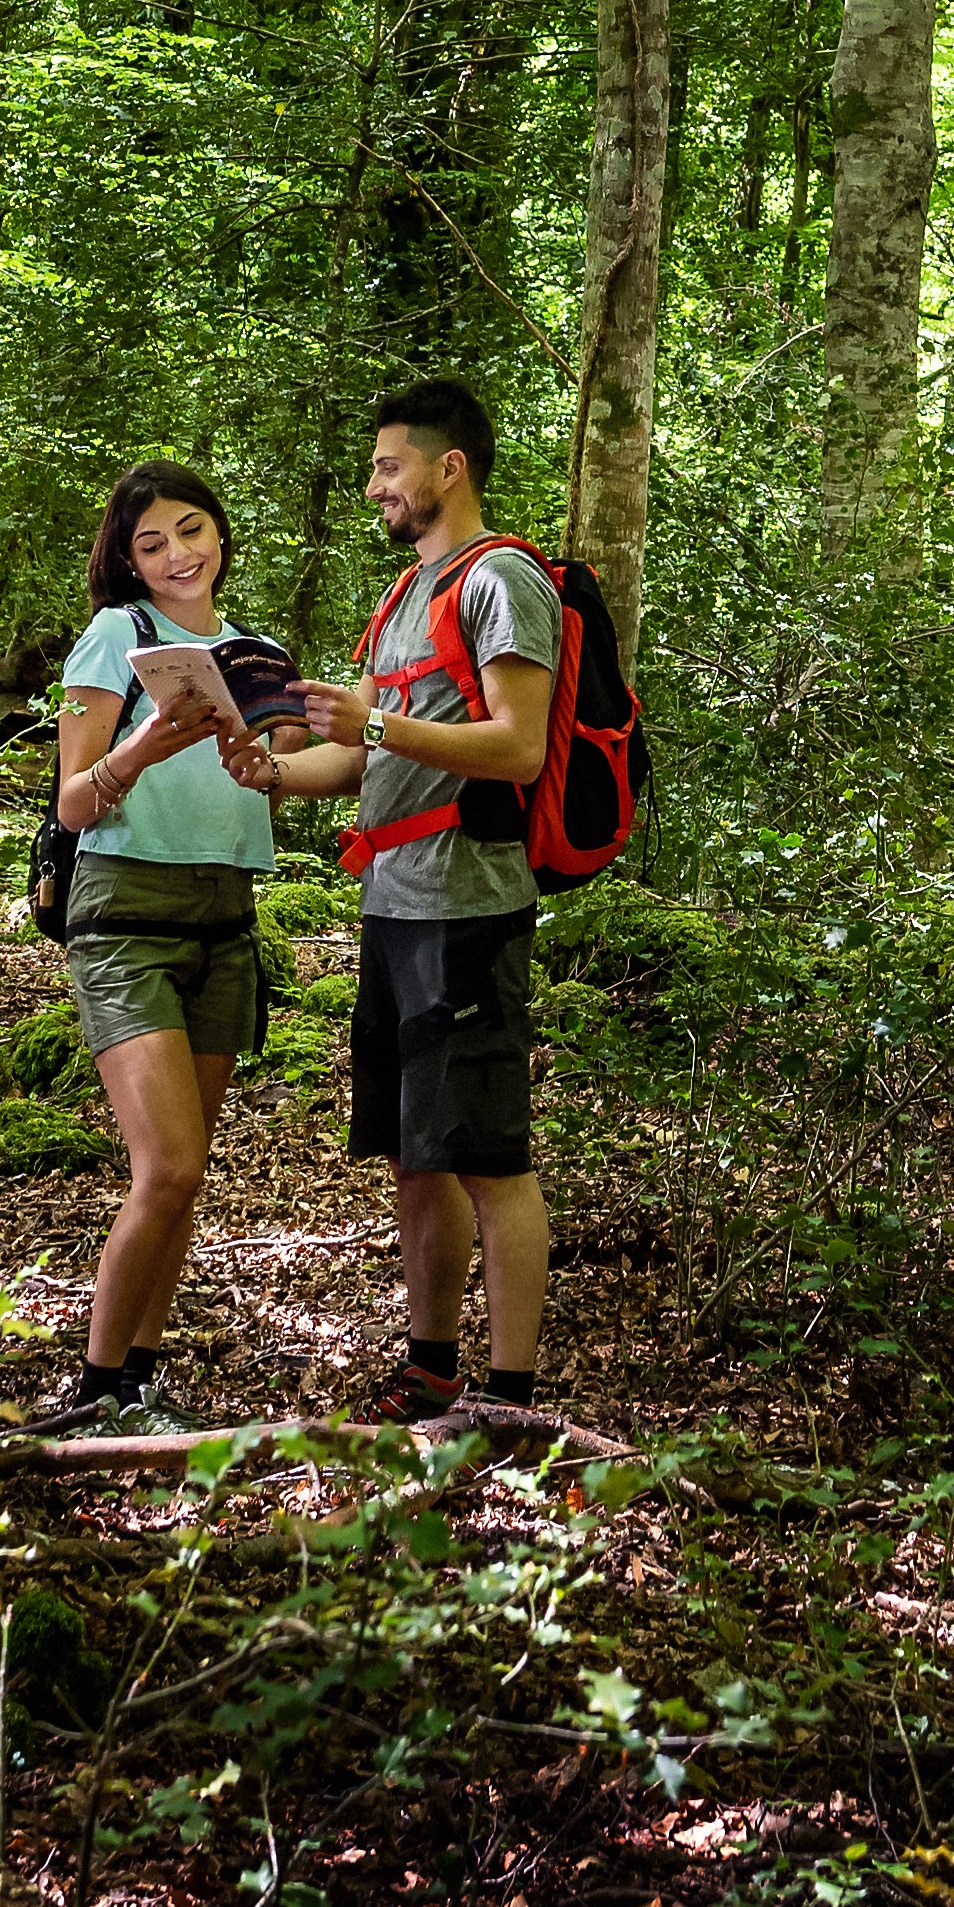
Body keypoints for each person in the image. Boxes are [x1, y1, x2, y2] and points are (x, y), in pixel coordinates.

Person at [38, 459, 346, 1429]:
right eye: (151, 542)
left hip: (226, 916)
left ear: (221, 533)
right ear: (128, 562)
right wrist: (146, 744)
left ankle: (138, 1380)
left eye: (191, 529)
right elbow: (74, 799)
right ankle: (93, 1391)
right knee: (165, 1164)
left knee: (189, 1169)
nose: (178, 553)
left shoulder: (259, 652)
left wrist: (270, 760)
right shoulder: (115, 637)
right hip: (125, 910)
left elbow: (295, 765)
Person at [319, 376, 560, 1435]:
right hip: (396, 904)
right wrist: (270, 764)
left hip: (469, 906)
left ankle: (508, 1400)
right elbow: (363, 758)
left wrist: (376, 724)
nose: (375, 486)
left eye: (387, 466)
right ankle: (431, 1370)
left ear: (445, 467)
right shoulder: (403, 597)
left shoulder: (501, 579)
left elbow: (517, 743)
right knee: (420, 1151)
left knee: (487, 1154)